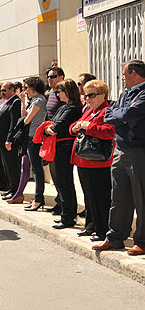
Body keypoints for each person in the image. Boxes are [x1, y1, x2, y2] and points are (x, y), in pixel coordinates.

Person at [94, 60, 145, 256]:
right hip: (120, 149)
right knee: (119, 197)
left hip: (138, 150)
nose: (122, 77)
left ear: (134, 73)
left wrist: (120, 115)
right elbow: (111, 114)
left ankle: (141, 241)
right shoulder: (126, 93)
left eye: (124, 73)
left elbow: (129, 113)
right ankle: (115, 237)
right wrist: (120, 116)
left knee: (141, 197)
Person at [70, 80, 115, 241]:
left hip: (98, 161)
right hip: (83, 159)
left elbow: (109, 132)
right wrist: (75, 127)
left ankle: (102, 230)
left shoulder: (107, 111)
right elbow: (75, 126)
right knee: (89, 196)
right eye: (86, 95)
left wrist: (88, 126)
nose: (88, 99)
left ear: (103, 95)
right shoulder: (89, 110)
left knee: (100, 198)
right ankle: (90, 226)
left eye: (91, 95)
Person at [44, 79, 82, 229]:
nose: (57, 94)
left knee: (65, 183)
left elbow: (57, 126)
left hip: (64, 149)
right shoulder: (64, 107)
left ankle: (68, 217)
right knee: (60, 182)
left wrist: (50, 129)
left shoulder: (73, 108)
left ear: (68, 92)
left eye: (59, 91)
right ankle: (66, 214)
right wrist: (50, 128)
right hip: (57, 148)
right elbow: (51, 122)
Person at [20, 77, 48, 211]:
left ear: (32, 88)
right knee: (35, 169)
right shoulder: (34, 100)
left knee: (37, 169)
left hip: (35, 138)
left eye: (26, 88)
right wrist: (23, 102)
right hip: (31, 137)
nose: (25, 91)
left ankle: (39, 199)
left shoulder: (39, 100)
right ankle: (37, 198)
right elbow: (24, 114)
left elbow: (26, 120)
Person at [0, 82, 21, 201]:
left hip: (8, 141)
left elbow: (13, 123)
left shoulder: (15, 102)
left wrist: (9, 139)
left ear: (12, 90)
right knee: (6, 167)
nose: (2, 92)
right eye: (2, 90)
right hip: (1, 140)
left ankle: (15, 190)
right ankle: (11, 188)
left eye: (5, 90)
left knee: (12, 166)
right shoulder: (7, 101)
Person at [45, 66, 66, 215]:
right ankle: (59, 202)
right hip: (50, 137)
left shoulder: (63, 93)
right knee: (54, 174)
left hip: (61, 138)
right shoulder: (50, 93)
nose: (49, 79)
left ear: (61, 77)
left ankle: (64, 206)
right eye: (48, 76)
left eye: (53, 76)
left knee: (62, 176)